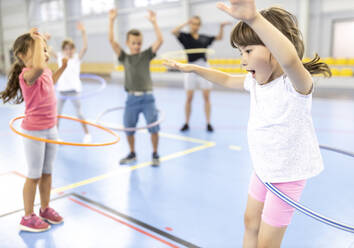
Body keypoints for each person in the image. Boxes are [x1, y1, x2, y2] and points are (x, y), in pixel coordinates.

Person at [164, 0, 331, 246]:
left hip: (287, 174)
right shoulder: (254, 82)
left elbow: (290, 61)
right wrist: (193, 69)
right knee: (250, 221)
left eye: (248, 50)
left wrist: (255, 20)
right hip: (263, 167)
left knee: (266, 242)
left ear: (273, 48)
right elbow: (225, 79)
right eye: (240, 52)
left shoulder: (296, 84)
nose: (243, 60)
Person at [0, 28, 68, 232]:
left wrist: (62, 68)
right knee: (34, 175)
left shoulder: (44, 71)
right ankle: (27, 216)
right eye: (39, 50)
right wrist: (38, 40)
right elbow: (38, 65)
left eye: (45, 50)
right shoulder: (27, 75)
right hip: (34, 132)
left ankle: (45, 208)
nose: (44, 53)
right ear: (21, 56)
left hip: (51, 129)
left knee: (47, 173)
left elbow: (50, 82)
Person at [108, 9, 163, 166]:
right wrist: (111, 21)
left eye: (139, 43)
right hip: (131, 98)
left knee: (154, 127)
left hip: (147, 98)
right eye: (133, 43)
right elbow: (112, 41)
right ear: (128, 43)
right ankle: (132, 153)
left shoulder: (146, 54)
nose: (137, 46)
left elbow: (160, 40)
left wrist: (154, 22)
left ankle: (155, 154)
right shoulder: (124, 57)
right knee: (129, 127)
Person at [172, 16, 230, 132]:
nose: (195, 26)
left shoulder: (204, 38)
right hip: (190, 68)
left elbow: (219, 37)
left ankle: (208, 123)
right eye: (193, 23)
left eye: (197, 24)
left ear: (199, 25)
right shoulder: (185, 37)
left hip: (204, 67)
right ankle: (186, 122)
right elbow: (174, 31)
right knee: (189, 98)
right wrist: (185, 23)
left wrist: (221, 27)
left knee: (206, 97)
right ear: (190, 24)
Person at [47, 23, 91, 143]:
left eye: (71, 48)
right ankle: (55, 137)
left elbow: (85, 48)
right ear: (63, 50)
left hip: (74, 90)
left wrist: (83, 32)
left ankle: (87, 134)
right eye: (66, 48)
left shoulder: (76, 58)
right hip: (62, 91)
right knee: (57, 115)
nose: (69, 51)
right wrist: (46, 39)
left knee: (79, 113)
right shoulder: (60, 57)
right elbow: (48, 50)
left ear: (74, 49)